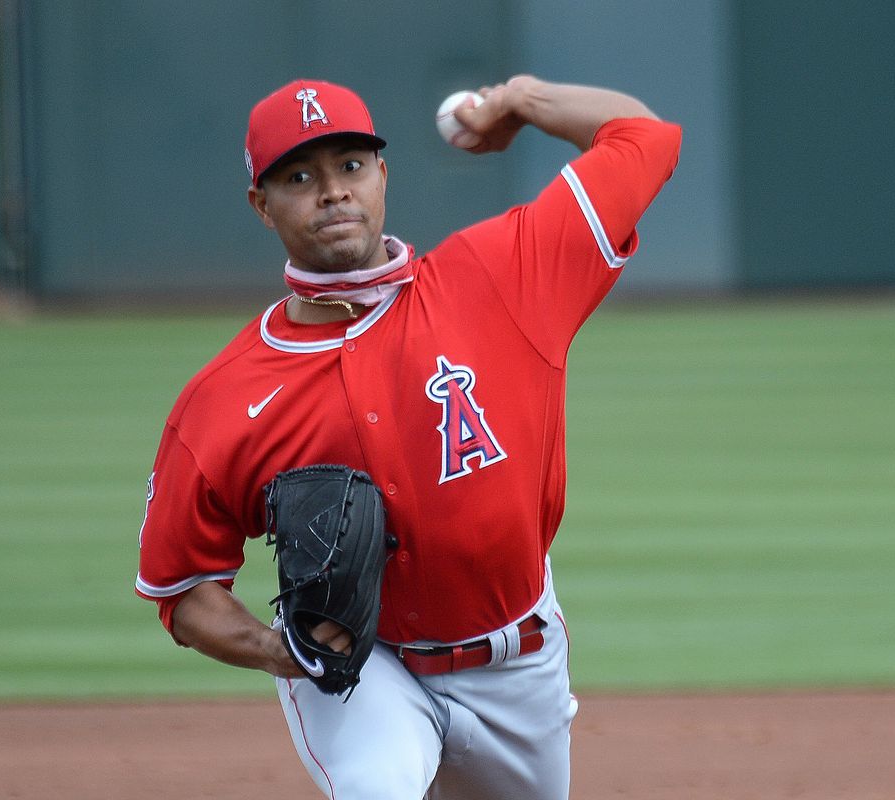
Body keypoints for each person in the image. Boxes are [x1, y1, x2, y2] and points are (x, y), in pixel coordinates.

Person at [135, 75, 680, 799]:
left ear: (382, 175)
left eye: (350, 166)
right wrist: (279, 651)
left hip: (520, 664)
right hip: (364, 667)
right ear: (261, 206)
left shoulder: (504, 276)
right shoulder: (223, 399)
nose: (332, 192)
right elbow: (182, 588)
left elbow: (644, 138)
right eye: (300, 177)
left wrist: (522, 100)